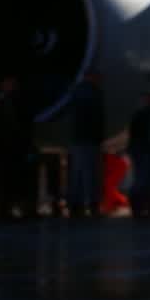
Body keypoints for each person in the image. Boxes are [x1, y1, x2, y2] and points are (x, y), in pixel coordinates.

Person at [0, 77, 35, 222]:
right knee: (1, 181)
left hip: (11, 148)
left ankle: (4, 209)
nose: (12, 87)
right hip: (2, 149)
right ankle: (1, 210)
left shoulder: (13, 103)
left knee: (7, 180)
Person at [66, 73, 106, 218]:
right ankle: (90, 204)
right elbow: (95, 118)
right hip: (88, 139)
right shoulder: (92, 94)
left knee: (78, 172)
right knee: (89, 173)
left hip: (80, 138)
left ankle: (76, 204)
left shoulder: (77, 92)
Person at [127, 92, 150, 217]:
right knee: (144, 179)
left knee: (146, 179)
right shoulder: (149, 114)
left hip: (149, 150)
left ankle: (146, 207)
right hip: (146, 150)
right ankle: (144, 207)